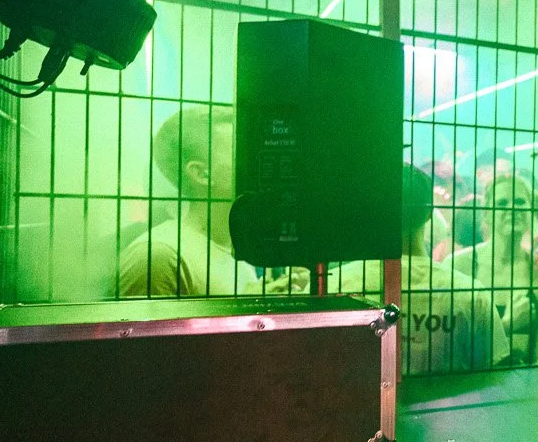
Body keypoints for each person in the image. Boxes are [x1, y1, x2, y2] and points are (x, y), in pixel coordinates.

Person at [333, 165, 509, 374]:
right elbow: (494, 376)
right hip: (449, 405)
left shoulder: (337, 284)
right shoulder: (470, 294)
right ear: (429, 213)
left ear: (375, 212)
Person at [119, 106, 298, 296]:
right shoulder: (158, 257)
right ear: (201, 173)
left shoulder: (236, 245)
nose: (259, 159)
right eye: (240, 150)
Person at [446, 173, 538, 361]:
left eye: (520, 202)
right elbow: (450, 343)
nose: (513, 208)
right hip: (471, 382)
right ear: (487, 214)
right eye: (503, 203)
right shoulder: (459, 264)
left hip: (524, 384)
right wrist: (507, 324)